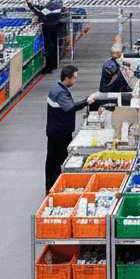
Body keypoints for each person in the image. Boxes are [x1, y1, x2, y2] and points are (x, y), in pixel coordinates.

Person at [45, 64, 97, 193]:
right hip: (60, 133)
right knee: (61, 160)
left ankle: (51, 185)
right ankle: (57, 187)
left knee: (52, 159)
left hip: (55, 130)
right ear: (67, 78)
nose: (75, 81)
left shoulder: (57, 88)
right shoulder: (60, 92)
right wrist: (87, 101)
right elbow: (71, 108)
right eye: (74, 78)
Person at [27, 0, 64, 73]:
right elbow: (46, 10)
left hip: (49, 26)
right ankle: (54, 64)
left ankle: (48, 67)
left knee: (49, 46)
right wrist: (37, 6)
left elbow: (41, 14)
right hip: (55, 25)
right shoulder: (59, 1)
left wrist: (30, 6)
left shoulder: (52, 3)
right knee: (54, 45)